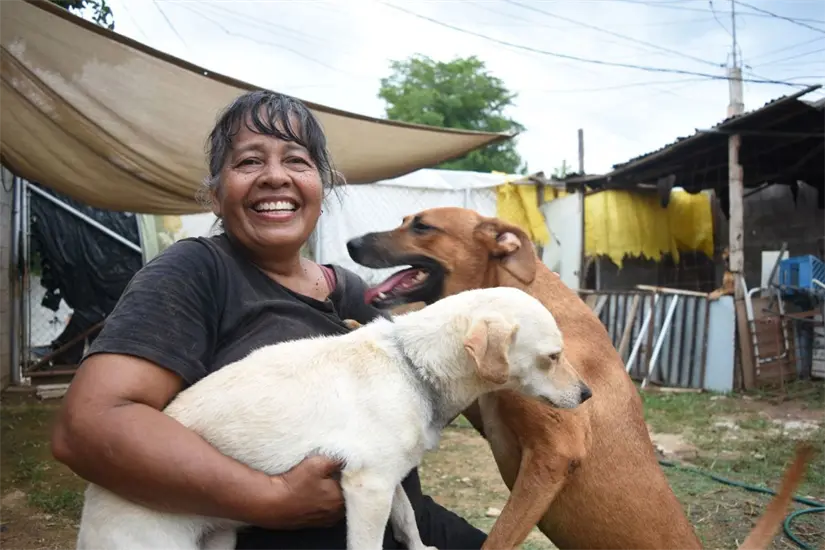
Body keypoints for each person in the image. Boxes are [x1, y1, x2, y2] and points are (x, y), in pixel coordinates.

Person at [51, 90, 488, 550]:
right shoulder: (196, 272)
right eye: (248, 162)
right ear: (216, 195)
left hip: (399, 524)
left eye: (297, 161)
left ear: (322, 186)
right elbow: (89, 425)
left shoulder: (351, 295)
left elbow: (438, 387)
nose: (275, 176)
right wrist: (270, 498)